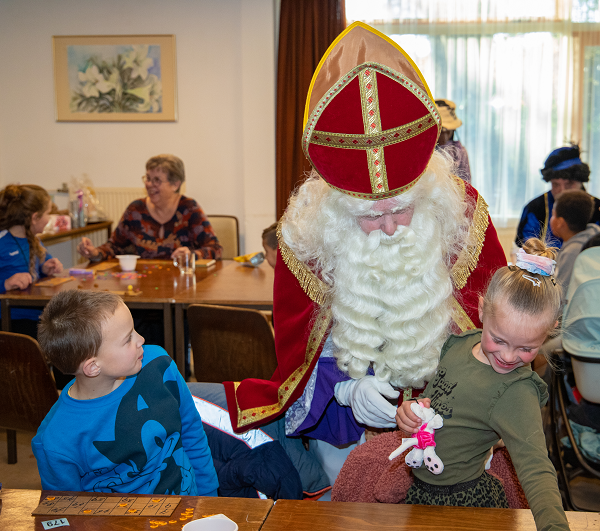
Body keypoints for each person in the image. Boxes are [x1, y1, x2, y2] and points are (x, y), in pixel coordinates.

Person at [223, 22, 506, 488]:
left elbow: (502, 337)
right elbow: (300, 356)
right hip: (347, 439)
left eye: (402, 210)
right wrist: (346, 390)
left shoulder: (463, 215)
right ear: (337, 212)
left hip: (455, 433)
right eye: (371, 217)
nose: (391, 227)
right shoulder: (306, 236)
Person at [396, 238, 569, 531]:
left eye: (526, 348)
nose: (508, 356)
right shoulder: (459, 345)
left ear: (548, 332)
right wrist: (410, 412)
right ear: (481, 310)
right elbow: (433, 402)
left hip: (462, 504)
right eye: (498, 340)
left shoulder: (516, 391)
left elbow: (536, 469)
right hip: (419, 491)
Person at [32, 289, 218, 495]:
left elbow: (192, 432)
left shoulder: (159, 364)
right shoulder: (55, 441)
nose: (142, 339)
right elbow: (65, 512)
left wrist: (208, 498)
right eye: (128, 338)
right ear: (93, 367)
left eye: (134, 330)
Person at [77, 154, 222, 262]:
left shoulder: (189, 209)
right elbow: (114, 247)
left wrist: (191, 256)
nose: (149, 184)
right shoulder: (136, 210)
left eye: (157, 180)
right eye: (147, 178)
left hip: (182, 285)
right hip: (142, 285)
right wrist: (94, 252)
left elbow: (215, 249)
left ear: (175, 184)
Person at [515, 144, 600, 249]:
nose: (562, 191)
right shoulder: (535, 209)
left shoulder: (598, 208)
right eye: (556, 185)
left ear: (581, 182)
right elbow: (525, 249)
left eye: (569, 184)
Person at [550, 189, 600, 292]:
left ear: (560, 222)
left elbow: (561, 294)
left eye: (553, 214)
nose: (551, 218)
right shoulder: (591, 237)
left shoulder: (572, 252)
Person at [435, 99, 471, 183]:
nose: (444, 136)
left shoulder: (460, 151)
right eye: (441, 131)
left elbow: (467, 182)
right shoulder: (425, 151)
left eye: (448, 131)